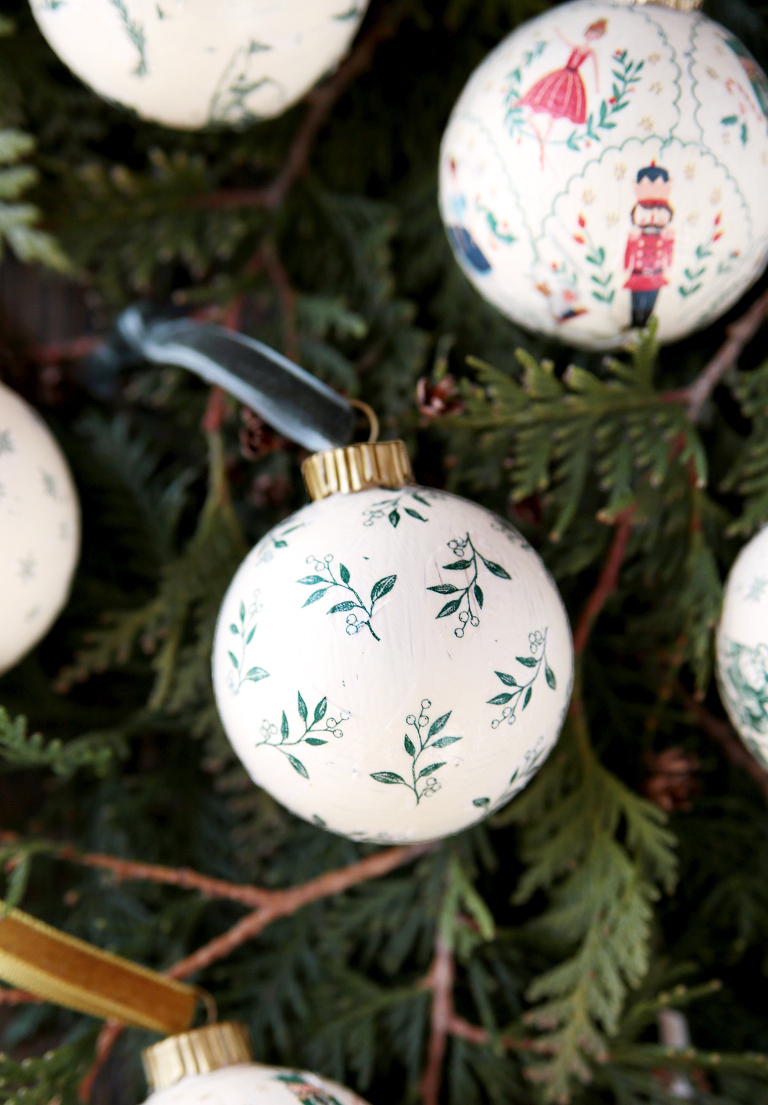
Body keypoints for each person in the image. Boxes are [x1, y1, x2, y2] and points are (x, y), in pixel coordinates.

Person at [517, 20, 607, 166]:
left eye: (596, 35)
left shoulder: (591, 52)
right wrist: (558, 33)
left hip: (573, 79)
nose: (592, 36)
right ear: (587, 32)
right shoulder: (577, 47)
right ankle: (538, 140)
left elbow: (595, 68)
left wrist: (597, 87)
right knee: (542, 101)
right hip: (562, 75)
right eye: (591, 33)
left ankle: (543, 146)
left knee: (555, 114)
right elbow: (565, 42)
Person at [623, 164, 675, 329]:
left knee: (651, 298)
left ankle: (645, 321)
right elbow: (629, 253)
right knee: (636, 299)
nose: (651, 220)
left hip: (656, 274)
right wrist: (626, 266)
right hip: (637, 275)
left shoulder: (664, 238)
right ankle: (635, 321)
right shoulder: (636, 238)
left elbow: (668, 255)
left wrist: (670, 244)